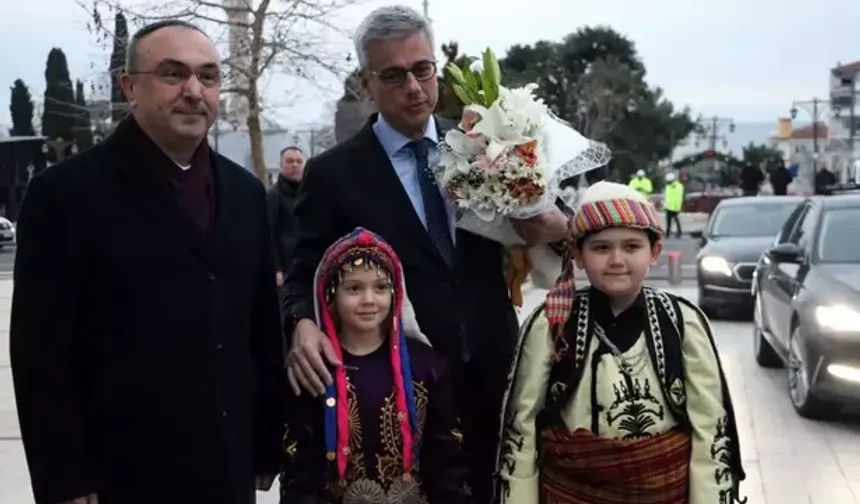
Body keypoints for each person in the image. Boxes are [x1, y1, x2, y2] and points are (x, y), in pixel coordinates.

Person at [281, 5, 570, 502]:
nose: (413, 87)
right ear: (366, 83)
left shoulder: (490, 142)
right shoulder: (332, 175)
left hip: (495, 364)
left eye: (422, 70)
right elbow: (305, 265)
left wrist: (553, 226)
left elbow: (565, 228)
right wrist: (301, 322)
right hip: (398, 386)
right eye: (393, 76)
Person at [10, 20, 285, 504]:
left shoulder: (245, 195)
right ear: (130, 87)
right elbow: (42, 353)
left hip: (227, 467)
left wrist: (267, 441)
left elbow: (260, 328)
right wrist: (66, 479)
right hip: (122, 473)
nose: (193, 91)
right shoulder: (65, 196)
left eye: (208, 76)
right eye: (173, 73)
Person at [495, 181, 745, 504]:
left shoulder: (682, 322)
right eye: (601, 247)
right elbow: (520, 431)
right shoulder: (550, 323)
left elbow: (712, 429)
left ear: (654, 252)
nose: (616, 259)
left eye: (631, 246)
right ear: (578, 255)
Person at [279, 227, 470, 503]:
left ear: (396, 293)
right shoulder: (315, 370)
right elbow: (300, 472)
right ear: (331, 293)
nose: (369, 300)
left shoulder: (427, 367)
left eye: (380, 287)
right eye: (354, 288)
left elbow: (447, 465)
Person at [268, 145, 305, 289]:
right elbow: (269, 233)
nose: (295, 165)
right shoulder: (273, 196)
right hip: (285, 268)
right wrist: (277, 268)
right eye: (289, 161)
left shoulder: (309, 193)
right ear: (281, 165)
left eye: (298, 161)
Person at [663, 171, 684, 238]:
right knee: (669, 221)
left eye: (669, 181)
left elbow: (678, 197)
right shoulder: (668, 186)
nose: (668, 182)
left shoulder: (678, 186)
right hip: (668, 206)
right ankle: (668, 233)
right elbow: (667, 197)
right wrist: (665, 205)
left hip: (675, 207)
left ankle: (679, 232)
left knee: (676, 220)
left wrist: (678, 207)